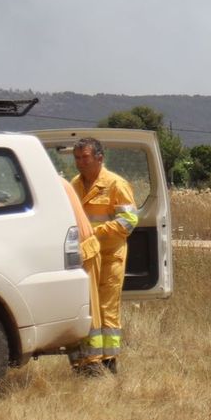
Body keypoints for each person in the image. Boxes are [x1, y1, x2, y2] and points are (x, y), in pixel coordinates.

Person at [70, 137, 138, 373]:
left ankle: (109, 362)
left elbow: (128, 221)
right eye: (77, 158)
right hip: (85, 257)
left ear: (99, 158)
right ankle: (86, 360)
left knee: (107, 309)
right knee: (85, 307)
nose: (80, 163)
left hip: (110, 256)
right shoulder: (74, 185)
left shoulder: (116, 185)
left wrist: (95, 232)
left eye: (85, 157)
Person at [62, 176, 104, 374]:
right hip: (72, 251)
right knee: (73, 309)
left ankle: (93, 362)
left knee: (88, 308)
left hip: (83, 250)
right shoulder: (64, 182)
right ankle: (79, 362)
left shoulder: (52, 184)